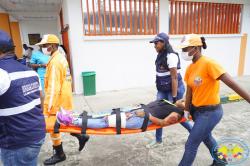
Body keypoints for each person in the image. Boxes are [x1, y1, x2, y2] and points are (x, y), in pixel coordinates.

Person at [177, 34, 250, 166]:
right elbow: (189, 91)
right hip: (197, 112)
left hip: (210, 113)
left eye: (185, 49)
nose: (183, 52)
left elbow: (232, 83)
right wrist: (187, 110)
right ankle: (221, 161)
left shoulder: (209, 64)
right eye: (182, 49)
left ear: (196, 48)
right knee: (207, 137)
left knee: (191, 144)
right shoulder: (190, 68)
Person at [36, 34, 89, 165]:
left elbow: (53, 88)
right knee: (63, 123)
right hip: (64, 99)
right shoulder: (60, 58)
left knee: (53, 128)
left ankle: (59, 154)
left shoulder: (54, 62)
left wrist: (48, 108)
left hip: (57, 101)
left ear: (53, 45)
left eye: (44, 45)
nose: (43, 48)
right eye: (42, 46)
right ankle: (81, 136)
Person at [0, 30, 45, 166]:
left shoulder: (2, 73)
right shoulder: (30, 72)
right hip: (36, 133)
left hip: (17, 141)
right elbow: (41, 100)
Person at [147, 32, 193, 148]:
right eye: (154, 43)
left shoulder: (171, 56)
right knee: (158, 113)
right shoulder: (160, 54)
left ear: (164, 43)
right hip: (162, 90)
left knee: (178, 115)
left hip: (174, 90)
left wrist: (174, 97)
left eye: (156, 43)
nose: (155, 45)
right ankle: (158, 140)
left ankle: (194, 134)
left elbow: (174, 78)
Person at [56, 99, 185, 130]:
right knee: (104, 114)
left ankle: (70, 121)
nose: (182, 101)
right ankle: (75, 116)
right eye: (183, 99)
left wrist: (146, 115)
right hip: (136, 112)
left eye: (185, 102)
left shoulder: (178, 112)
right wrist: (134, 110)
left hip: (141, 119)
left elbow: (163, 123)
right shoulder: (168, 102)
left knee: (106, 122)